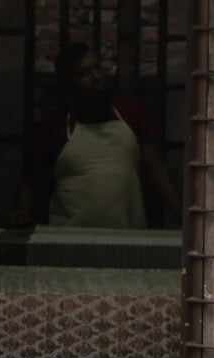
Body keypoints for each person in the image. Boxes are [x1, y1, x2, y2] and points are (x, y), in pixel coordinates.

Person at [14, 42, 183, 229]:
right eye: (83, 74)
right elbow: (30, 178)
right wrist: (23, 211)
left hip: (127, 238)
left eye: (97, 68)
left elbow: (157, 174)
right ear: (68, 84)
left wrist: (185, 221)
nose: (95, 77)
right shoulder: (55, 127)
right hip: (70, 239)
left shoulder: (133, 115)